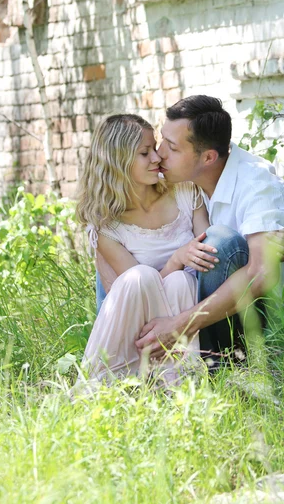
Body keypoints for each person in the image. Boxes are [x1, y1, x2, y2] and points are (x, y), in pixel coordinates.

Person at [132, 95, 284, 358]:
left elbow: (261, 275)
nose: (159, 154)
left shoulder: (257, 186)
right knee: (123, 233)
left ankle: (216, 368)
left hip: (270, 327)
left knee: (220, 242)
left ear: (208, 157)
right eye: (161, 141)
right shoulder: (187, 183)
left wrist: (179, 325)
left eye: (172, 147)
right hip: (217, 310)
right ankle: (121, 360)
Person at [76, 113, 219, 384]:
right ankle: (106, 381)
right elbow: (138, 292)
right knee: (142, 276)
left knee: (179, 281)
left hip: (186, 310)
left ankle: (178, 384)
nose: (157, 158)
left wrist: (179, 268)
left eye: (154, 148)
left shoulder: (186, 192)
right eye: (145, 152)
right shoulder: (107, 225)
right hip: (138, 325)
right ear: (118, 162)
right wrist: (176, 259)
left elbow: (207, 249)